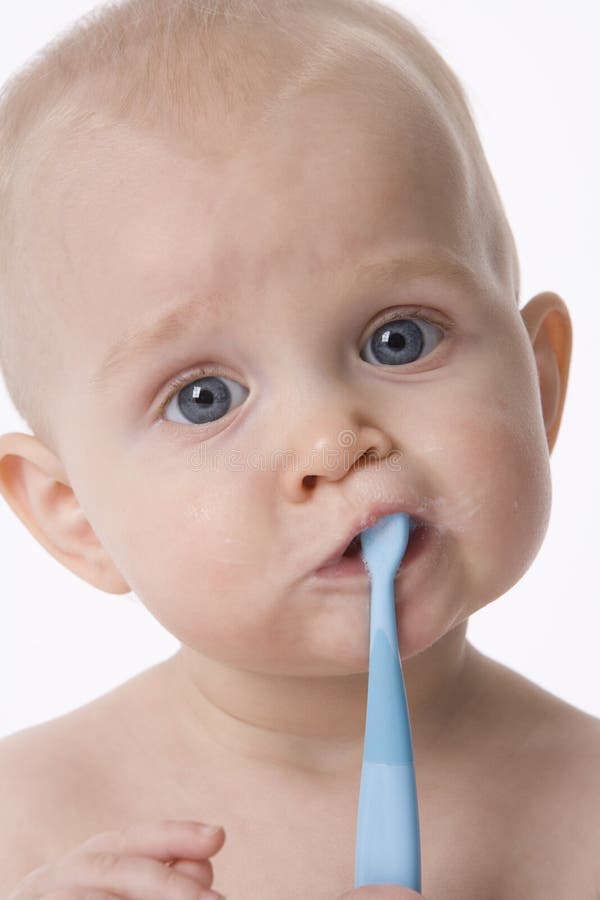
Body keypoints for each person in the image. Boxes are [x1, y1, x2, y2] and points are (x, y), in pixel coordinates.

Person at [0, 1, 597, 898]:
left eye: (399, 338)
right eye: (204, 399)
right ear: (74, 515)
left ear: (539, 386)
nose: (332, 439)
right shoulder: (27, 826)